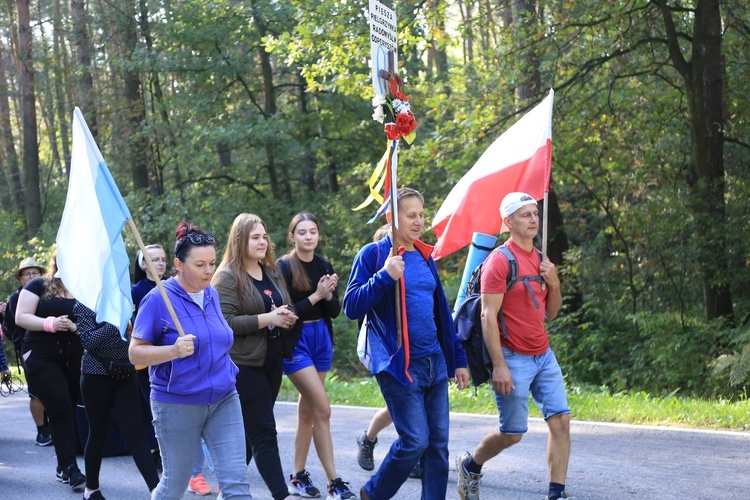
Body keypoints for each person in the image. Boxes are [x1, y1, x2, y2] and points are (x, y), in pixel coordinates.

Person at [343, 187, 470, 500]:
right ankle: (374, 493)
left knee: (438, 445)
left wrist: (459, 360)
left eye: (421, 215)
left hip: (435, 363)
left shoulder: (425, 257)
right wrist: (384, 276)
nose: (418, 222)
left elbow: (441, 313)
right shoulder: (373, 255)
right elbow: (351, 306)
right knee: (415, 441)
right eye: (411, 215)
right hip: (399, 364)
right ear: (391, 218)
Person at [455, 192, 568, 500]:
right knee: (512, 434)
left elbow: (551, 313)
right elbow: (487, 316)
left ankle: (556, 493)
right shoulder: (499, 262)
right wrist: (500, 366)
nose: (533, 219)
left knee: (561, 421)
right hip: (512, 357)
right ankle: (471, 465)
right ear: (507, 222)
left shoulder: (542, 260)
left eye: (535, 213)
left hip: (543, 354)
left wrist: (554, 282)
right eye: (525, 215)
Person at [129, 221, 252, 500]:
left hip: (223, 397)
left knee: (236, 485)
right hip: (177, 403)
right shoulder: (157, 300)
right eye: (200, 265)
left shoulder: (212, 294)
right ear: (179, 264)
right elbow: (135, 355)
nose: (209, 271)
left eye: (212, 263)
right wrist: (172, 350)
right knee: (175, 485)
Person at [212, 213, 299, 500]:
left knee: (252, 431)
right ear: (240, 240)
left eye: (264, 236)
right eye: (255, 237)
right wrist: (267, 319)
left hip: (272, 360)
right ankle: (281, 494)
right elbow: (224, 323)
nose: (263, 242)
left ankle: (229, 490)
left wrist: (286, 316)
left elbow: (281, 306)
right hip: (242, 364)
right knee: (263, 429)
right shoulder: (226, 276)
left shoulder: (271, 271)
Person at [277, 213, 355, 500]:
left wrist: (329, 294)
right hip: (296, 343)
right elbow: (287, 313)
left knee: (308, 411)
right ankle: (334, 481)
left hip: (322, 339)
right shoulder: (283, 267)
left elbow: (334, 312)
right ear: (292, 237)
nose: (308, 237)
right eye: (302, 232)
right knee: (323, 409)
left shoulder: (323, 264)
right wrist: (317, 294)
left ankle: (297, 477)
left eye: (313, 232)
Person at [14, 252, 86, 490]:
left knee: (67, 406)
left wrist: (76, 327)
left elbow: (94, 320)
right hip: (40, 353)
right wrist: (50, 324)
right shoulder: (39, 284)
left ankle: (62, 463)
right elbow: (21, 316)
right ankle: (70, 468)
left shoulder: (85, 287)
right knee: (61, 406)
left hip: (73, 356)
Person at [75, 301, 160, 500]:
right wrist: (116, 320)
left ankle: (157, 491)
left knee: (137, 435)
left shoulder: (122, 298)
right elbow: (88, 340)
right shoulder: (85, 302)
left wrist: (130, 317)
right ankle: (91, 490)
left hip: (125, 372)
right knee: (97, 433)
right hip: (95, 375)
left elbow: (134, 335)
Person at [355, 224, 419, 480]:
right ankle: (368, 439)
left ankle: (414, 455)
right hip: (389, 350)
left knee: (413, 409)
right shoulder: (375, 266)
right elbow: (357, 306)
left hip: (419, 350)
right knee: (398, 409)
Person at [2, 257, 51, 446]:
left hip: (53, 346)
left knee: (55, 388)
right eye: (27, 274)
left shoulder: (50, 293)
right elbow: (10, 325)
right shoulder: (16, 298)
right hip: (29, 348)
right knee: (36, 391)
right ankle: (42, 430)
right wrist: (21, 343)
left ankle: (55, 427)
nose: (31, 277)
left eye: (35, 273)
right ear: (21, 278)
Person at [130, 244, 168, 472]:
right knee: (153, 405)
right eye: (154, 260)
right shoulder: (135, 291)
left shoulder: (174, 286)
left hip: (174, 354)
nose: (161, 263)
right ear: (143, 264)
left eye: (163, 259)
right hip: (148, 357)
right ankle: (156, 450)